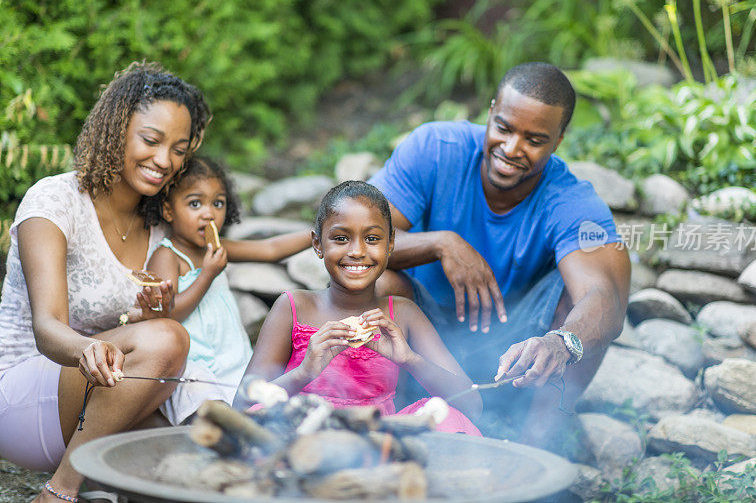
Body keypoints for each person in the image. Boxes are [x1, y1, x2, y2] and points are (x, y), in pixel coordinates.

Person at [369, 62, 630, 446]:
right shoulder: (436, 149)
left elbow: (604, 298)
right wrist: (442, 243)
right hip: (423, 336)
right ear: (490, 112)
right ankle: (383, 415)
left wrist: (562, 342)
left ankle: (538, 447)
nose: (511, 149)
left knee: (580, 303)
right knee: (379, 281)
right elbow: (358, 241)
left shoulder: (571, 200)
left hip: (517, 354)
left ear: (558, 140)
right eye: (504, 128)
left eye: (534, 140)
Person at [0, 62, 212, 502]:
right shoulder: (54, 200)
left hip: (103, 397)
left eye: (178, 149)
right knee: (169, 340)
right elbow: (48, 327)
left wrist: (148, 315)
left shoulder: (156, 228)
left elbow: (133, 333)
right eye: (151, 140)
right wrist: (92, 347)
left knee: (184, 468)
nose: (164, 161)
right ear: (116, 128)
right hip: (23, 395)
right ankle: (58, 492)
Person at [237, 181, 482, 434]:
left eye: (372, 238)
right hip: (302, 434)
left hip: (378, 440)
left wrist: (408, 359)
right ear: (318, 244)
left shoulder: (404, 313)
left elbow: (471, 404)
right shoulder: (294, 307)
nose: (356, 251)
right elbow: (243, 404)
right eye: (341, 238)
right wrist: (304, 372)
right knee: (258, 416)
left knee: (446, 417)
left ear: (390, 244)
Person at [145, 156, 310, 410]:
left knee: (259, 410)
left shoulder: (218, 247)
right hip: (194, 371)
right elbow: (170, 314)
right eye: (195, 203)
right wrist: (207, 274)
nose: (209, 213)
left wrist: (316, 234)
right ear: (169, 210)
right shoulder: (166, 255)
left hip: (232, 361)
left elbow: (270, 249)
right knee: (214, 422)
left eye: (218, 203)